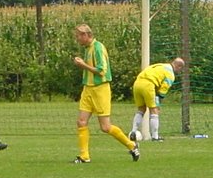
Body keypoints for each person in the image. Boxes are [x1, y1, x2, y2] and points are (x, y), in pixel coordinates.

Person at [72, 24, 139, 163]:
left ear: (86, 35)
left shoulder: (98, 48)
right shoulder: (88, 49)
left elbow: (101, 70)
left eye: (78, 36)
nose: (77, 39)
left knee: (105, 127)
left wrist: (82, 65)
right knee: (81, 122)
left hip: (100, 89)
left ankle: (131, 145)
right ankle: (84, 156)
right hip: (88, 89)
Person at [129, 57, 185, 141]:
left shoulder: (161, 65)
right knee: (154, 111)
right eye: (181, 69)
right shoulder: (170, 74)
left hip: (137, 83)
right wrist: (158, 103)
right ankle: (155, 137)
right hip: (148, 85)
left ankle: (133, 132)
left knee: (141, 109)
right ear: (179, 66)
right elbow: (162, 91)